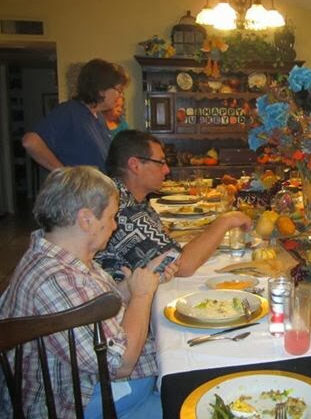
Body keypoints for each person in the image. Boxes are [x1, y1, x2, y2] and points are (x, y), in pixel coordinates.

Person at [0, 166, 178, 418]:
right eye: (111, 217)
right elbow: (120, 365)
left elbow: (91, 307)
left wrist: (130, 287)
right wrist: (141, 296)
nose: (114, 226)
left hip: (107, 392)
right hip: (79, 405)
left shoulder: (62, 255)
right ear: (86, 219)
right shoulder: (55, 279)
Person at [95, 129, 252, 279]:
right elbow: (180, 266)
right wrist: (226, 221)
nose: (167, 170)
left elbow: (164, 237)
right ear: (135, 165)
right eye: (161, 163)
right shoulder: (122, 208)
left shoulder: (129, 196)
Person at [22, 58, 129, 172]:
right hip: (79, 184)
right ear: (101, 89)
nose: (120, 95)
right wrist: (64, 174)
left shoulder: (99, 117)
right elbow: (31, 142)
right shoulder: (70, 111)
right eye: (119, 90)